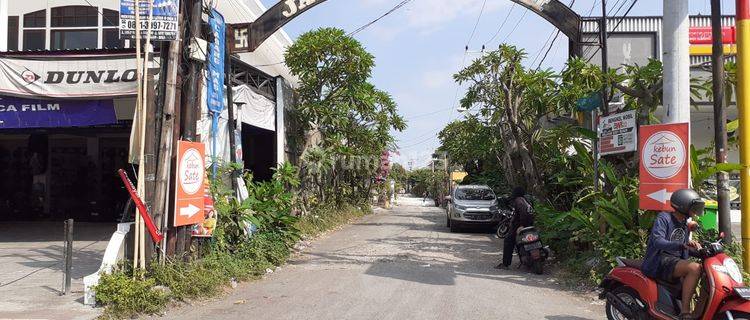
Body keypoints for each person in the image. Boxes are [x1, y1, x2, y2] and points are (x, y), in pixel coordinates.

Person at [641, 189, 704, 319]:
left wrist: (701, 251)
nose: (696, 211)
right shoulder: (664, 218)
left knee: (706, 268)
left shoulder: (684, 223)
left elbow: (684, 246)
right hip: (659, 260)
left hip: (673, 260)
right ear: (683, 206)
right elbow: (658, 241)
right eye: (693, 207)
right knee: (694, 268)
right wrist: (681, 245)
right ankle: (685, 312)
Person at [496, 187, 534, 269]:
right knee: (520, 242)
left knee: (508, 241)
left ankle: (505, 264)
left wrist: (521, 225)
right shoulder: (526, 200)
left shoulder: (519, 201)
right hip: (530, 225)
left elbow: (523, 213)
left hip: (518, 226)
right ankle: (525, 261)